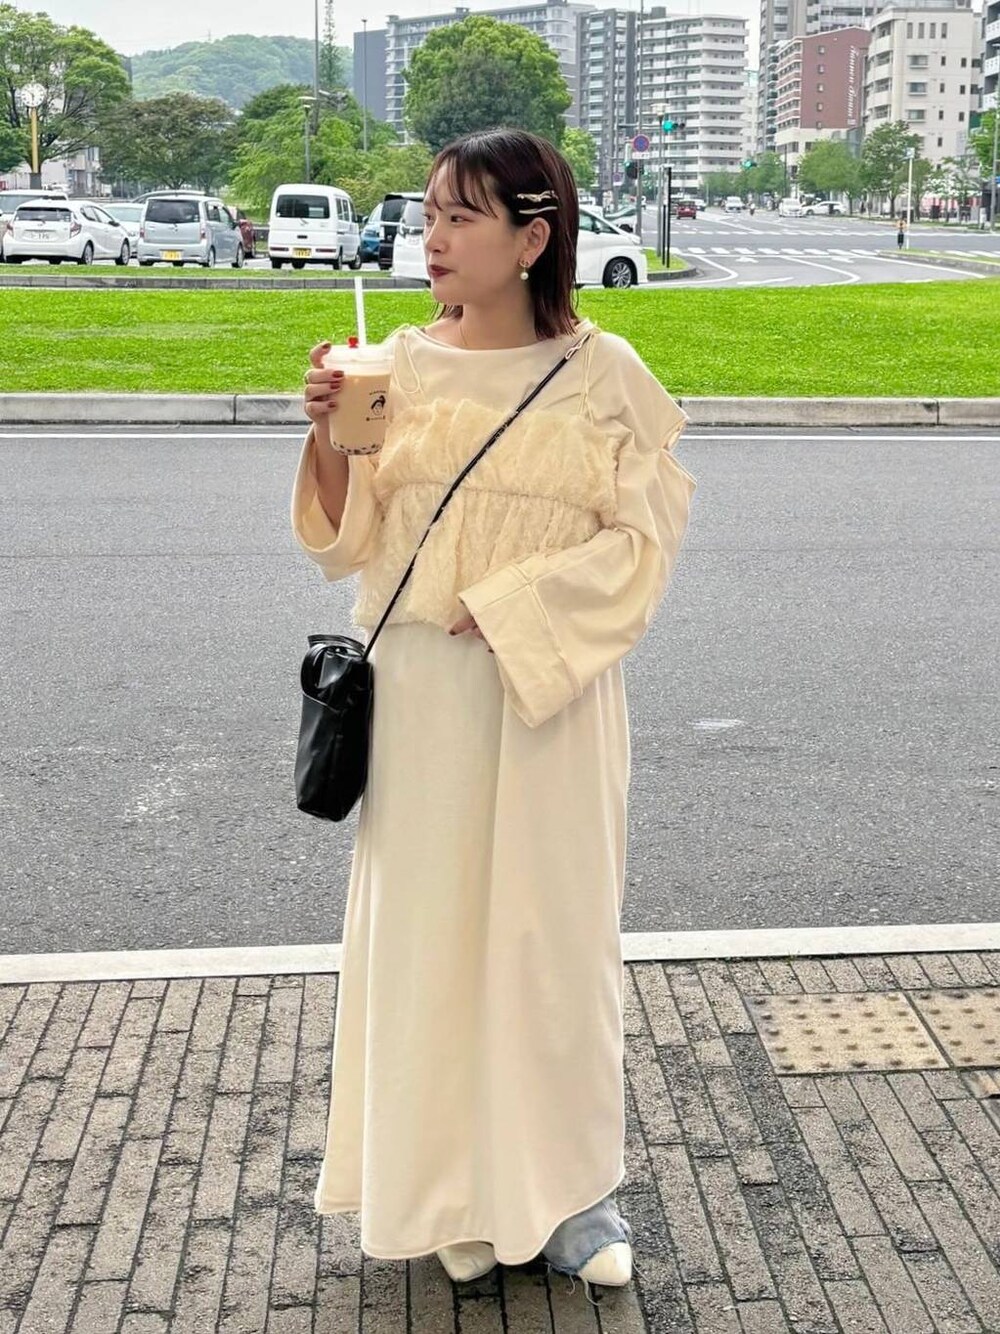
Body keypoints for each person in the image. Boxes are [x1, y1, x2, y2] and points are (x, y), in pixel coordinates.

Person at [291, 128, 697, 1296]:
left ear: (532, 237)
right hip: (421, 698)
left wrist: (516, 603)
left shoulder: (604, 373)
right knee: (429, 942)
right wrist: (325, 430)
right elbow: (345, 542)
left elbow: (644, 545)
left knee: (548, 943)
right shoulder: (396, 366)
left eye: (461, 216)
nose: (432, 237)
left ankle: (565, 1194)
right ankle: (449, 1188)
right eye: (427, 213)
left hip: (551, 694)